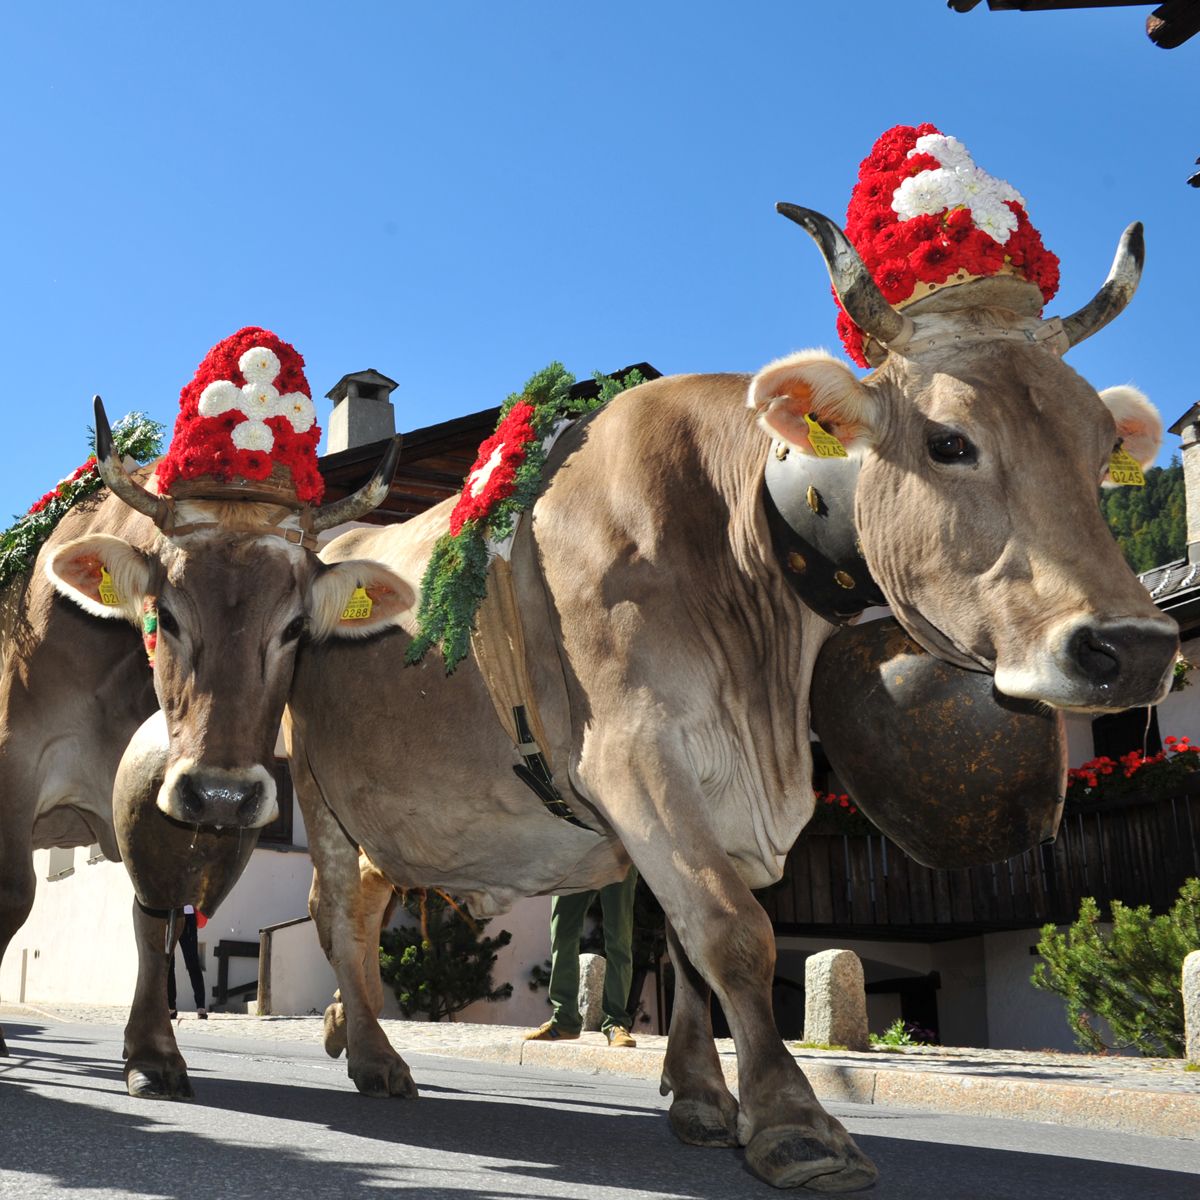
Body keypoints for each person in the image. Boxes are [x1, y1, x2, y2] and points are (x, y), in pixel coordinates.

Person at [524, 866, 639, 1047]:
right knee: (562, 933)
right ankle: (564, 1020)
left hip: (618, 857)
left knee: (619, 938)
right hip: (576, 859)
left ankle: (615, 1024)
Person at [168, 905, 208, 1019]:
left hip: (187, 915)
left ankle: (201, 1007)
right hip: (169, 916)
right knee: (169, 964)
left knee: (193, 963)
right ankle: (171, 1007)